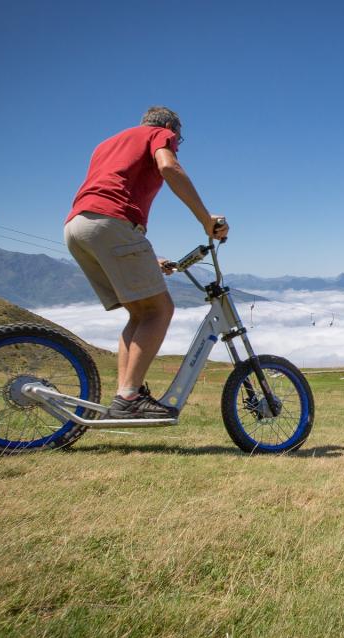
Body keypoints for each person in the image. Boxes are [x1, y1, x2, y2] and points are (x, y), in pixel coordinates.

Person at [64, 106, 228, 419]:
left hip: (77, 227)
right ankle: (128, 397)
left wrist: (150, 259)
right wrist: (207, 220)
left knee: (139, 313)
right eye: (179, 139)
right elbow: (169, 168)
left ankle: (125, 395)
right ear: (170, 127)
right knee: (160, 310)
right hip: (112, 223)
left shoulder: (107, 144)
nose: (177, 144)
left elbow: (104, 201)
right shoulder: (159, 134)